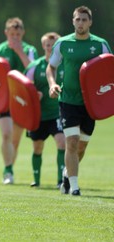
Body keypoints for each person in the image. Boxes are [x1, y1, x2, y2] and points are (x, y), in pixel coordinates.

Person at [46, 6, 112, 196]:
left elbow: (109, 71)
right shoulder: (63, 43)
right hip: (68, 100)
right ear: (72, 21)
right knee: (72, 142)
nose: (80, 23)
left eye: (84, 19)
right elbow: (51, 67)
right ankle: (74, 187)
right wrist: (52, 84)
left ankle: (67, 174)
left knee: (82, 146)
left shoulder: (101, 45)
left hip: (92, 103)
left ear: (90, 22)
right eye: (77, 19)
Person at [0, 17, 38, 184]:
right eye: (12, 34)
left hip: (22, 99)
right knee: (6, 134)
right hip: (4, 99)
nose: (15, 37)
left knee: (15, 139)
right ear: (6, 33)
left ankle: (9, 168)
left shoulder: (29, 50)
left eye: (18, 34)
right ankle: (8, 170)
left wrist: (19, 51)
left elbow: (34, 71)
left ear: (22, 33)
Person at [24, 32, 65, 188]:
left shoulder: (65, 64)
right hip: (38, 115)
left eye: (54, 45)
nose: (51, 48)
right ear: (43, 46)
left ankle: (61, 180)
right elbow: (23, 89)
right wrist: (34, 96)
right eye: (48, 45)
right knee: (37, 146)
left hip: (58, 113)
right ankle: (36, 180)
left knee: (62, 143)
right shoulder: (34, 67)